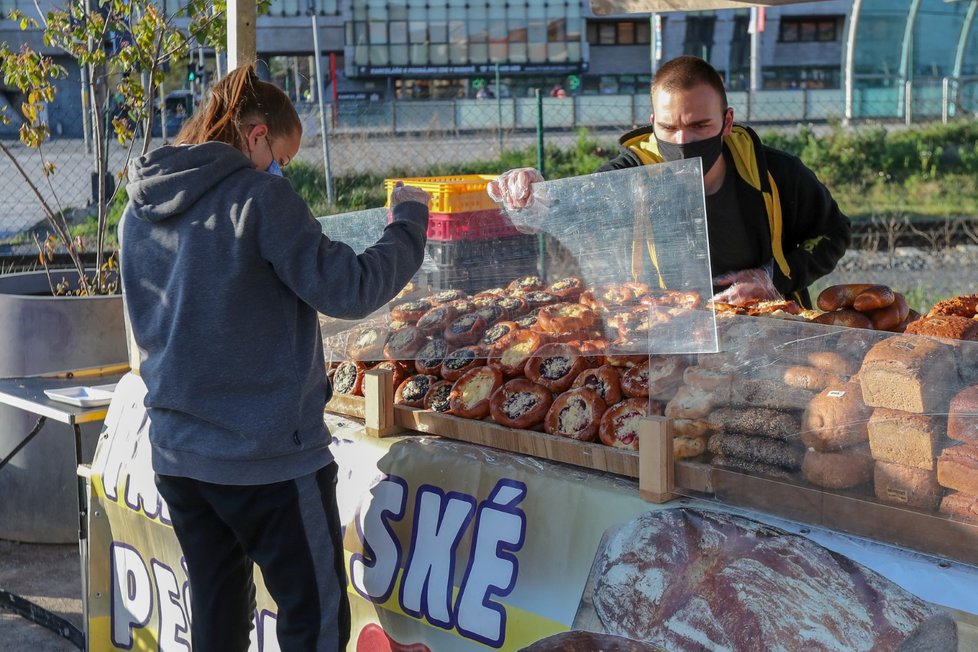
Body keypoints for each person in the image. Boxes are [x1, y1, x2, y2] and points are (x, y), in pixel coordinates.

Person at [118, 64, 429, 651]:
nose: (281, 170)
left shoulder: (138, 209)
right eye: (281, 157)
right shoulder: (260, 197)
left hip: (180, 456)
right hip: (267, 462)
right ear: (256, 135)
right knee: (314, 618)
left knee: (216, 611)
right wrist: (409, 223)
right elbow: (350, 288)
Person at [488, 55, 850, 308]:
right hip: (669, 341)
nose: (682, 141)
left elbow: (833, 233)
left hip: (769, 328)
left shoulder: (776, 173)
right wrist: (532, 193)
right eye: (668, 127)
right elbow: (570, 208)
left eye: (699, 126)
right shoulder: (631, 175)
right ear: (652, 122)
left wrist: (774, 279)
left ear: (727, 122)